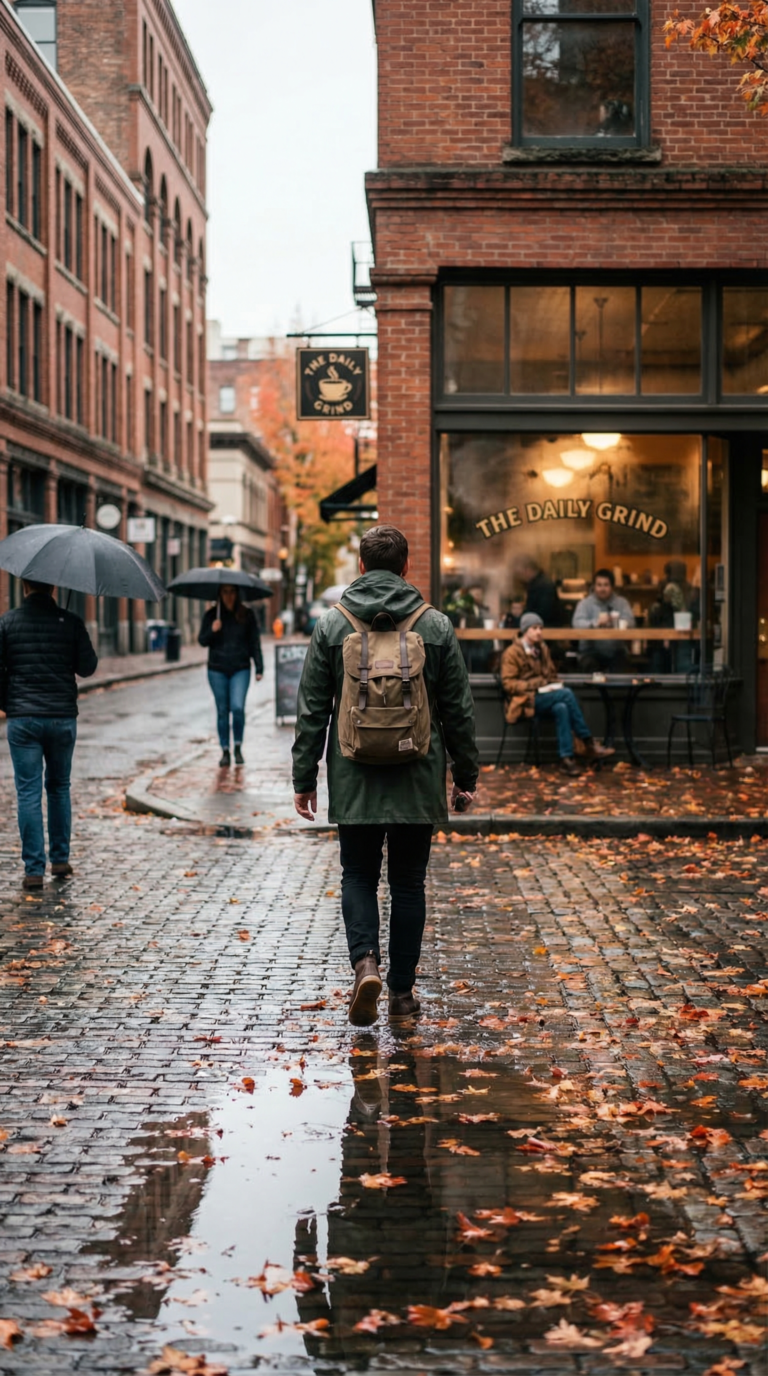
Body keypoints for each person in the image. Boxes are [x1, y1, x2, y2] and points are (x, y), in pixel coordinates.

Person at [292, 524, 479, 1027]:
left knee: (357, 875)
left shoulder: (333, 625)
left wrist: (304, 777)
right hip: (417, 775)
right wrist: (465, 775)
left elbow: (312, 708)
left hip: (354, 774)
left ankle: (365, 964)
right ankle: (400, 994)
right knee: (409, 884)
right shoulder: (434, 625)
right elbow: (459, 710)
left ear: (360, 566)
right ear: (405, 567)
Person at [0, 579, 98, 889]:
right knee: (58, 787)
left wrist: (8, 704)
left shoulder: (7, 622)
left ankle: (33, 870)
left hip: (23, 719)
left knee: (28, 792)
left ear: (24, 585)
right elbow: (88, 668)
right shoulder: (70, 622)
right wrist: (71, 638)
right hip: (61, 718)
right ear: (53, 588)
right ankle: (60, 859)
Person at [501, 612, 615, 776]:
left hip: (545, 697)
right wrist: (538, 685)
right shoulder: (512, 653)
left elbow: (551, 675)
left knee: (562, 707)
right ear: (525, 630)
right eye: (534, 628)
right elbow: (508, 684)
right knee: (567, 694)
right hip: (525, 701)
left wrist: (553, 685)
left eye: (540, 628)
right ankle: (587, 741)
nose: (539, 632)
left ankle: (566, 759)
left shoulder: (543, 649)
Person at [198, 584, 264, 768]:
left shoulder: (247, 615)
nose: (229, 596)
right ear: (220, 594)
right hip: (217, 669)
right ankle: (225, 750)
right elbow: (202, 640)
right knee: (222, 710)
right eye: (225, 592)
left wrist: (259, 668)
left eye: (232, 591)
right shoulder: (212, 615)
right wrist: (213, 629)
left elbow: (254, 642)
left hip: (240, 668)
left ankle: (238, 746)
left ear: (237, 593)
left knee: (237, 708)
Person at [572, 568, 635, 672]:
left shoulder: (622, 603)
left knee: (623, 667)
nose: (602, 589)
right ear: (594, 586)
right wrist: (596, 623)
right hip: (590, 652)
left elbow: (631, 623)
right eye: (599, 585)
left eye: (606, 585)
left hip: (616, 651)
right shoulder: (584, 604)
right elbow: (576, 624)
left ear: (612, 587)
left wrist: (617, 622)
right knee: (589, 666)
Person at [514, 555, 563, 627]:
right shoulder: (539, 582)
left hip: (545, 629)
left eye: (521, 573)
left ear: (528, 570)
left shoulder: (541, 586)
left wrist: (521, 615)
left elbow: (542, 613)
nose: (521, 576)